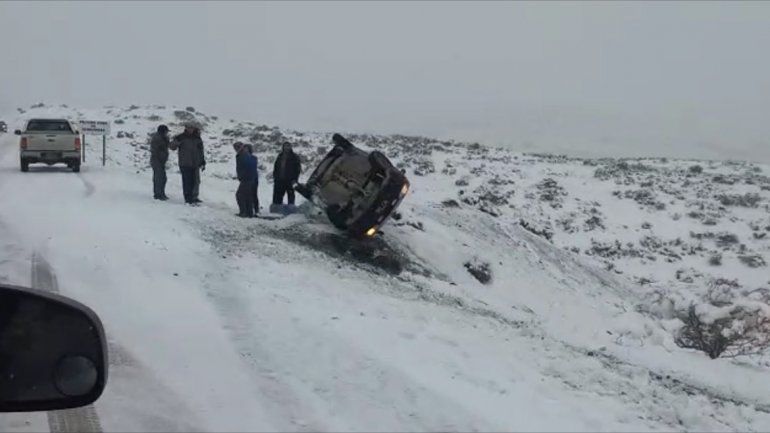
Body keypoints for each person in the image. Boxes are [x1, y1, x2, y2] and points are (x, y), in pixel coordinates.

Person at [170, 124, 206, 205]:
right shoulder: (181, 137)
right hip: (185, 163)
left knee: (196, 181)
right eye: (189, 128)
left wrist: (202, 161)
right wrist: (176, 141)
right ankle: (188, 198)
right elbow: (172, 147)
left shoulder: (197, 138)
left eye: (192, 128)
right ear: (186, 128)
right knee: (187, 181)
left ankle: (194, 197)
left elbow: (201, 150)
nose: (190, 129)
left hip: (195, 163)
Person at [272, 142, 301, 206]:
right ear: (283, 147)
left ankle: (291, 209)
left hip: (290, 181)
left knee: (290, 197)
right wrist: (275, 177)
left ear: (290, 147)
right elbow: (276, 167)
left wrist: (295, 179)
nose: (287, 148)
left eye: (288, 146)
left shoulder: (294, 157)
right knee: (278, 197)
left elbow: (298, 169)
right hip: (280, 180)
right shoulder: (280, 156)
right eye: (285, 146)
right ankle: (277, 208)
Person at [234, 142, 258, 217]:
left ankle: (243, 212)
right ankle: (249, 212)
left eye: (238, 147)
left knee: (240, 195)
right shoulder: (246, 156)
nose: (236, 149)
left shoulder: (243, 155)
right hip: (250, 178)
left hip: (247, 178)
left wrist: (242, 176)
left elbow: (247, 167)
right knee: (248, 196)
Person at [149, 125, 170, 200]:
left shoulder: (163, 137)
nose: (167, 133)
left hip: (161, 161)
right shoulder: (157, 138)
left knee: (163, 178)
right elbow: (154, 150)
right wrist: (159, 159)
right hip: (157, 161)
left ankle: (161, 193)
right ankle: (158, 194)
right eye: (166, 131)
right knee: (158, 178)